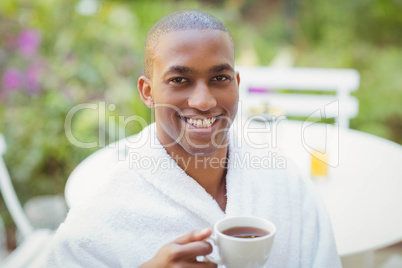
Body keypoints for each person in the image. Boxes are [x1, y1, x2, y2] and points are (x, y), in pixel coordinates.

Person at [43, 9, 341, 267]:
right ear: (147, 92)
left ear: (236, 83)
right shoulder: (103, 213)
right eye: (179, 80)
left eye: (219, 78)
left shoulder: (286, 186)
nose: (202, 100)